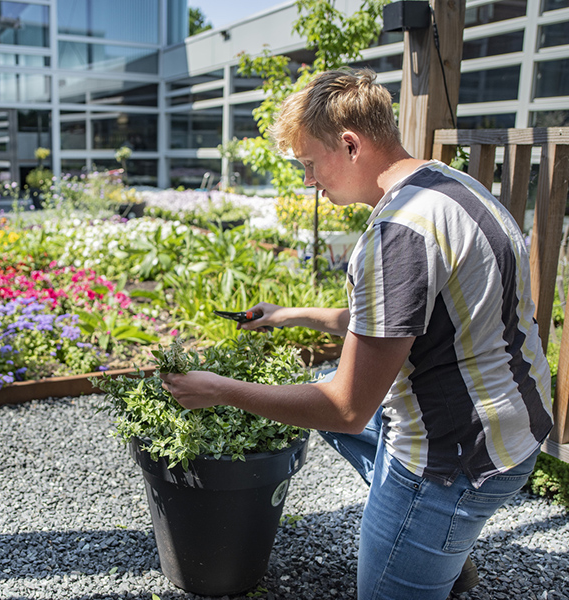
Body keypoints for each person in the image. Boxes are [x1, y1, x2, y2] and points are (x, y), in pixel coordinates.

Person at [159, 69, 554, 600]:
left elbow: (346, 408)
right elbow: (398, 326)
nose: (308, 181)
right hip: (515, 426)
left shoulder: (399, 232)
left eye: (309, 163)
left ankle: (427, 533)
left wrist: (220, 391)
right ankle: (439, 550)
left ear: (349, 145)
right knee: (328, 374)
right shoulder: (449, 186)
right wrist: (288, 315)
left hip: (455, 458)